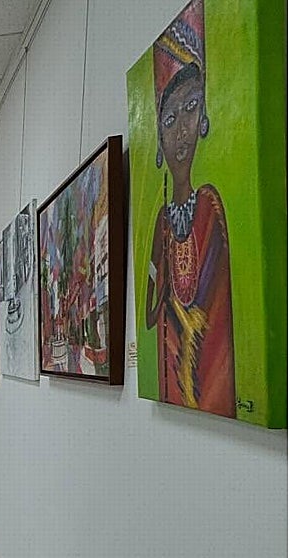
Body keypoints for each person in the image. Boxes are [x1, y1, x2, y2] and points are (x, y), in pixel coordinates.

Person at [143, 0, 234, 417]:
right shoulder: (162, 223)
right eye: (168, 119)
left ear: (204, 119)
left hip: (208, 385)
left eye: (191, 106)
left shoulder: (210, 206)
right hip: (169, 384)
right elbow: (148, 314)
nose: (181, 130)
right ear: (158, 142)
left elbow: (217, 318)